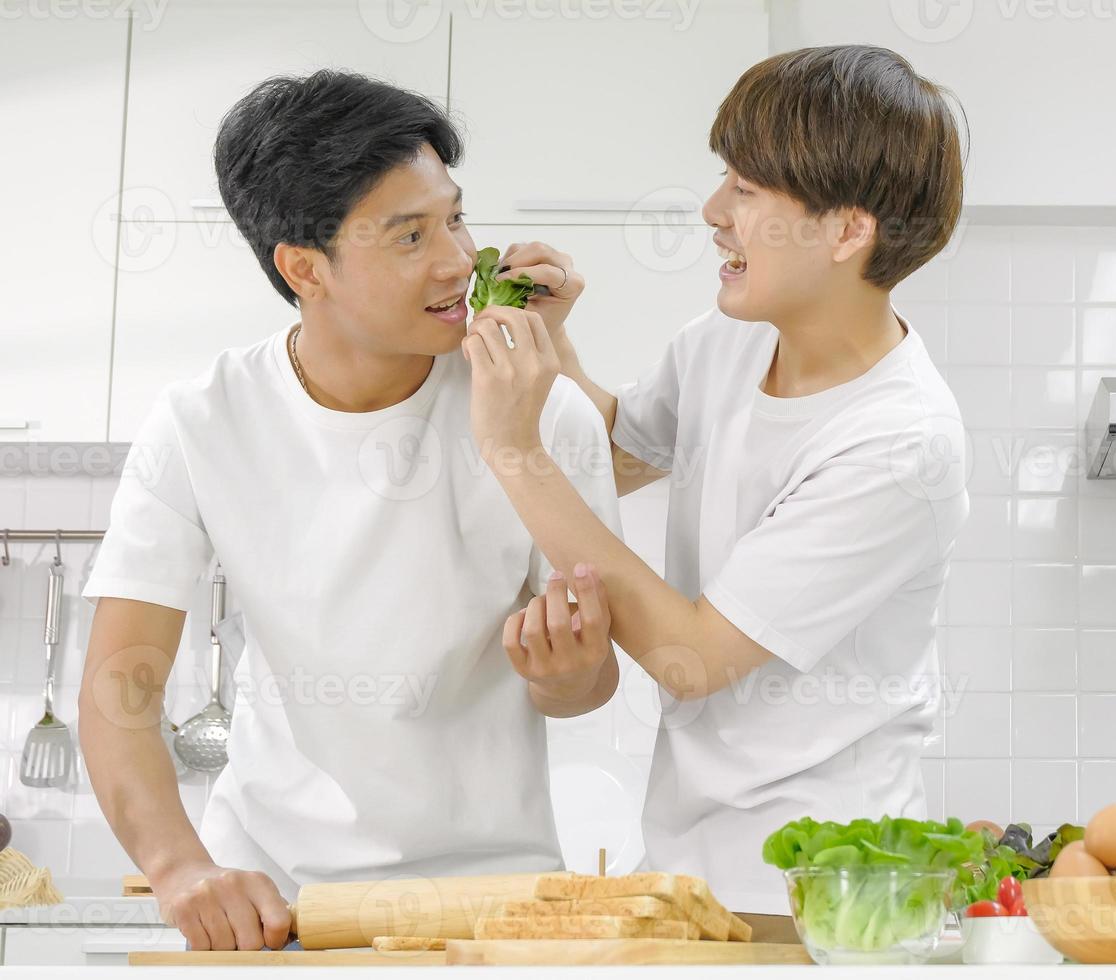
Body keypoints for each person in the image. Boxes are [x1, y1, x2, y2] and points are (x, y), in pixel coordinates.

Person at [78, 70, 621, 951]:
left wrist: (565, 672)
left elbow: (589, 688)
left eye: (454, 217)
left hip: (491, 907)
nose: (456, 259)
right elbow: (120, 687)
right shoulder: (203, 422)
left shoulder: (541, 410)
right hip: (276, 907)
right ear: (304, 267)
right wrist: (182, 867)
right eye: (410, 236)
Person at [461, 45, 970, 913]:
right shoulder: (732, 336)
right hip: (693, 858)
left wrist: (516, 452)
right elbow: (631, 452)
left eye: (746, 189)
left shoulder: (898, 443)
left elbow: (691, 659)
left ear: (848, 231)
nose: (712, 211)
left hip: (825, 882)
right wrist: (558, 352)